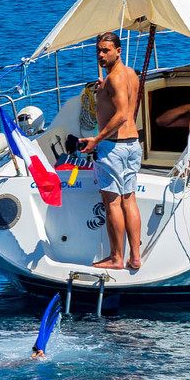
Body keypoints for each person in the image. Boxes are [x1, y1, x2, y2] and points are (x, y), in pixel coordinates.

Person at [79, 30, 142, 271]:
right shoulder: (128, 75)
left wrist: (96, 139)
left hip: (113, 146)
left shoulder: (114, 78)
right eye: (98, 51)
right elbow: (121, 100)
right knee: (129, 200)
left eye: (106, 50)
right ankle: (134, 257)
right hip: (132, 145)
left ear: (119, 51)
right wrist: (103, 89)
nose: (101, 55)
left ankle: (116, 258)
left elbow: (121, 115)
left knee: (112, 203)